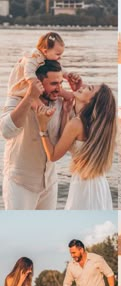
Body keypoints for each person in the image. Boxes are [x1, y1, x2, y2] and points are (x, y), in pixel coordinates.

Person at [36, 83, 117, 209]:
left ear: (91, 101)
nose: (83, 86)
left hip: (84, 187)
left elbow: (53, 155)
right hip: (98, 184)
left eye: (88, 88)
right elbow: (66, 140)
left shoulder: (77, 124)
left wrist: (43, 128)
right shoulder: (93, 125)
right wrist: (66, 112)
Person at [0, 60, 67, 210]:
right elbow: (6, 131)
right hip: (20, 183)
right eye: (54, 84)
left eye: (61, 83)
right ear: (38, 84)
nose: (59, 89)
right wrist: (30, 97)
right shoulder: (16, 98)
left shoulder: (60, 103)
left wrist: (68, 109)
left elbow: (63, 142)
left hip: (49, 182)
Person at [7, 31, 81, 106]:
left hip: (32, 79)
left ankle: (69, 95)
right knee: (35, 92)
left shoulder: (48, 57)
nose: (60, 57)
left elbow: (59, 68)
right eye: (58, 54)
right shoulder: (33, 57)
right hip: (23, 82)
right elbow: (28, 72)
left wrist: (67, 75)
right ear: (45, 51)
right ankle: (41, 107)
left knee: (50, 87)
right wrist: (35, 83)